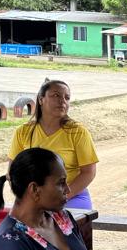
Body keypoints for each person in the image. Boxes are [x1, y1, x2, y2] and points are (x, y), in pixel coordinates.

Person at [9, 79, 98, 210]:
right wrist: (30, 198)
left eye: (67, 98)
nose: (62, 101)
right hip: (35, 199)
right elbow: (13, 172)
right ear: (41, 100)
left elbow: (88, 173)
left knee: (58, 220)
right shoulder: (23, 132)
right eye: (56, 95)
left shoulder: (78, 132)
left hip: (71, 195)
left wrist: (61, 196)